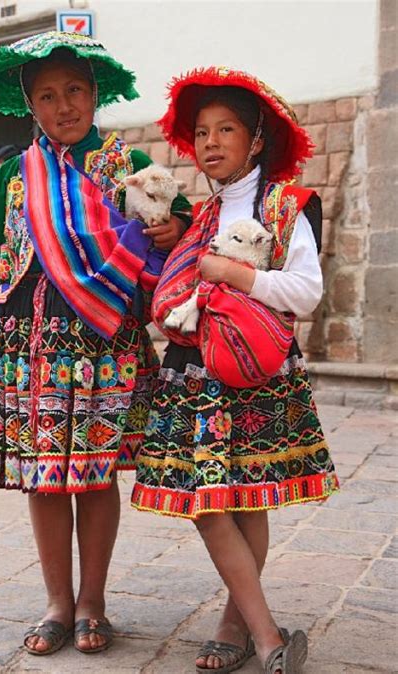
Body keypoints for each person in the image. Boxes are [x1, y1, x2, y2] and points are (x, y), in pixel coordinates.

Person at [0, 31, 191, 657]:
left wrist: (171, 229)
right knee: (43, 477)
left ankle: (93, 602)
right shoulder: (10, 176)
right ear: (29, 106)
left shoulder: (128, 167)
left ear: (95, 95)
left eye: (76, 91)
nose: (64, 106)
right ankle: (57, 603)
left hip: (103, 346)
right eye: (48, 96)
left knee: (91, 477)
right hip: (24, 347)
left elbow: (184, 228)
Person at [131, 66, 339, 674]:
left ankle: (242, 627)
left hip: (255, 373)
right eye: (202, 132)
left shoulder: (286, 206)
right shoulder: (196, 216)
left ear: (255, 141)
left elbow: (305, 291)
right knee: (204, 501)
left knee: (245, 500)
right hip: (193, 371)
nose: (212, 142)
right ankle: (265, 632)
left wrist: (236, 275)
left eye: (227, 130)